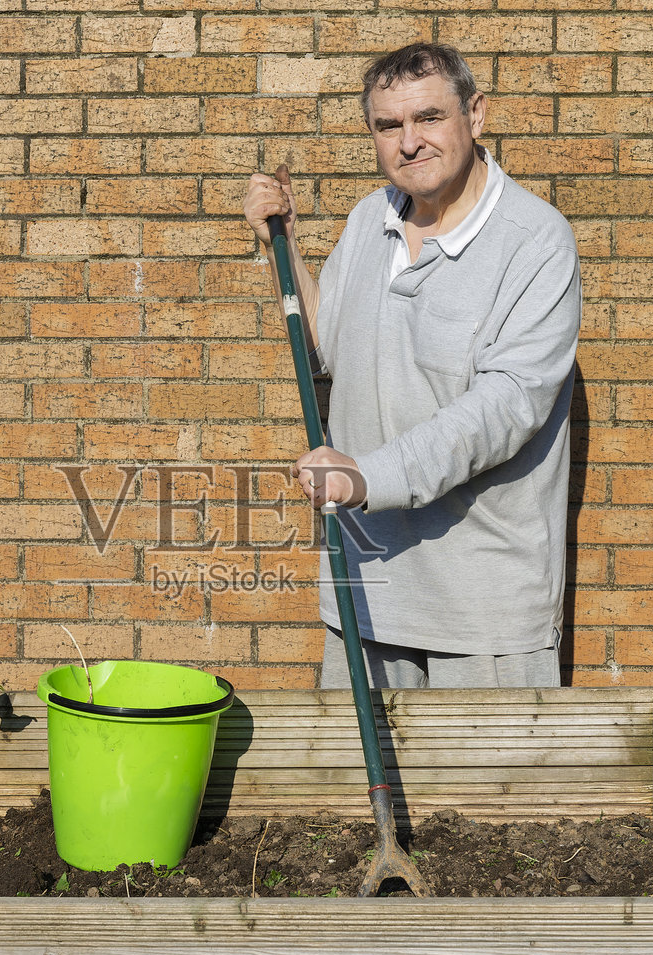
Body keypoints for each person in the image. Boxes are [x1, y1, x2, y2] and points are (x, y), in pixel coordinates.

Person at [242, 42, 580, 691]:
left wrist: (366, 476)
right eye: (388, 125)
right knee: (355, 794)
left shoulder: (535, 242)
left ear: (474, 115)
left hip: (483, 618)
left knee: (485, 797)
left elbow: (503, 410)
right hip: (366, 591)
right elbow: (331, 352)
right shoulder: (370, 220)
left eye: (428, 118)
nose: (409, 141)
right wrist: (282, 249)